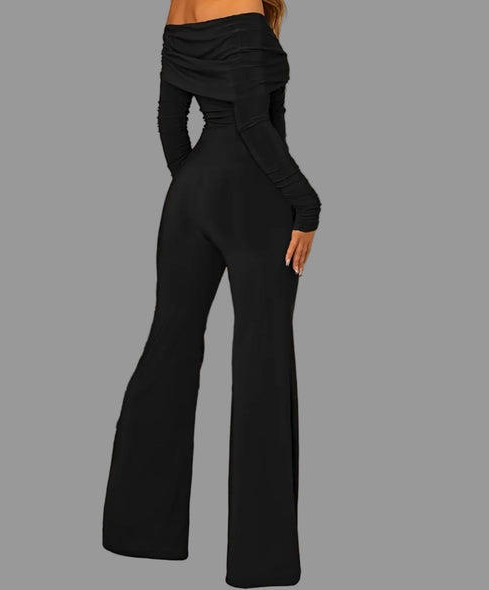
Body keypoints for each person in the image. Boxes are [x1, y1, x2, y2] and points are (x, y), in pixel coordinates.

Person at [102, 1, 322, 587]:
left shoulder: (179, 7)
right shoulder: (245, 5)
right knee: (262, 365)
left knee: (168, 349)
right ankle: (261, 562)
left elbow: (169, 120)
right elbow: (255, 124)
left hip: (190, 198)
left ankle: (138, 532)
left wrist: (199, 187)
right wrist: (306, 205)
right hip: (257, 199)